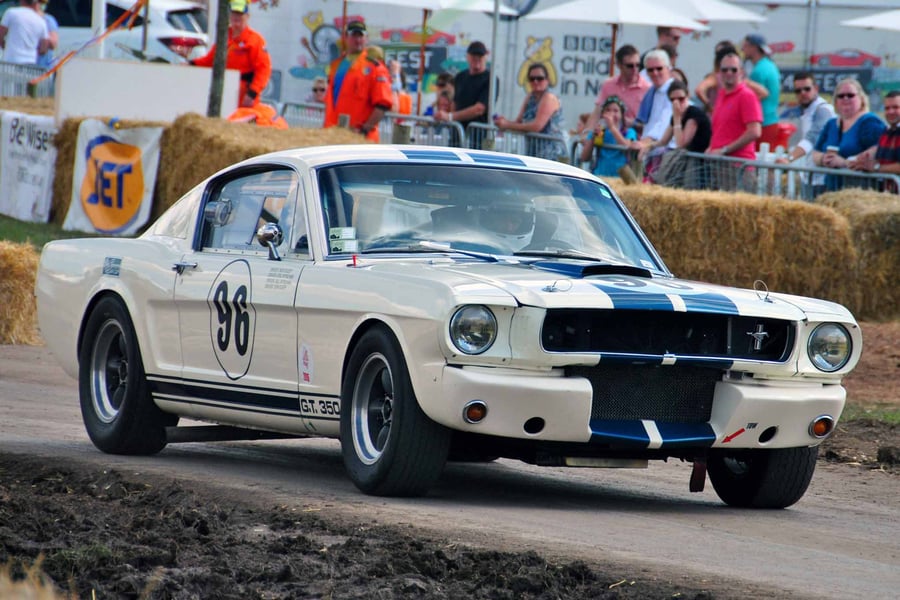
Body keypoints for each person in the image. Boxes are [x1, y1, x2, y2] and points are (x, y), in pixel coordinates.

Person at [190, 0, 271, 109]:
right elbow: (210, 61)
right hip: (223, 91)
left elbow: (263, 70)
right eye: (234, 13)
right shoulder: (224, 36)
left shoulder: (255, 40)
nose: (236, 17)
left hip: (244, 95)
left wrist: (252, 93)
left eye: (240, 14)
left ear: (247, 16)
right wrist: (191, 64)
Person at [812, 78, 887, 192]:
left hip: (861, 190)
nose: (845, 98)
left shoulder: (870, 122)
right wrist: (823, 159)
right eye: (841, 96)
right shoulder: (831, 124)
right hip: (832, 189)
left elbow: (877, 151)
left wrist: (843, 163)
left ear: (861, 99)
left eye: (850, 95)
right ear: (835, 101)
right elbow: (816, 152)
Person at [323, 20, 392, 142]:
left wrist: (364, 130)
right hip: (333, 134)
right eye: (354, 35)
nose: (358, 39)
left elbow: (382, 104)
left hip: (360, 138)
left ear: (366, 38)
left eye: (361, 36)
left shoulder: (375, 67)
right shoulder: (337, 65)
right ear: (345, 37)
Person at [775, 72, 834, 197]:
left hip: (823, 178)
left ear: (816, 89)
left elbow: (812, 138)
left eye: (807, 89)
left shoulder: (823, 110)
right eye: (798, 91)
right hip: (811, 176)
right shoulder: (808, 110)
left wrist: (789, 159)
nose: (803, 93)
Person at [493, 62, 565, 161]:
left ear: (547, 80)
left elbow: (537, 126)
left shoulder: (549, 97)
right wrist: (504, 122)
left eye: (539, 78)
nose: (535, 81)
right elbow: (519, 122)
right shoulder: (530, 97)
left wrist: (507, 125)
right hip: (534, 151)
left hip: (551, 153)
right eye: (532, 79)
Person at [434, 41, 496, 148]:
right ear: (467, 57)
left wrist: (450, 116)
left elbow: (479, 109)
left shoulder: (491, 79)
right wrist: (445, 115)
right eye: (473, 56)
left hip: (478, 136)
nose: (476, 59)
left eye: (480, 56)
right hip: (458, 133)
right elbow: (455, 102)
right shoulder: (460, 77)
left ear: (486, 57)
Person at [706, 52, 762, 159]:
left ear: (741, 72)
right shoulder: (722, 94)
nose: (729, 73)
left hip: (739, 164)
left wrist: (725, 150)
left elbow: (754, 132)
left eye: (733, 70)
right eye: (724, 70)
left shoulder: (746, 95)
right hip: (720, 162)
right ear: (719, 72)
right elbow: (720, 129)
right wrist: (711, 148)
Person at [584, 44, 649, 134]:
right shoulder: (609, 84)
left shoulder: (647, 88)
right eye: (630, 66)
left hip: (634, 140)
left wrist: (631, 123)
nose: (635, 69)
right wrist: (586, 133)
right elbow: (597, 112)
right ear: (619, 65)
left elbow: (651, 124)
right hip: (609, 138)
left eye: (638, 65)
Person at [633, 50, 675, 179]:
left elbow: (666, 121)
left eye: (659, 68)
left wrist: (647, 141)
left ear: (668, 68)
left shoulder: (674, 90)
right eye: (650, 70)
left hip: (666, 152)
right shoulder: (652, 91)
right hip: (651, 151)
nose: (655, 73)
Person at [580, 95, 638, 177]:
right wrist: (593, 138)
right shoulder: (600, 131)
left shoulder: (629, 132)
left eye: (615, 111)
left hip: (620, 178)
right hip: (600, 175)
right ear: (603, 114)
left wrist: (612, 127)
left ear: (621, 115)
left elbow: (626, 145)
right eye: (608, 110)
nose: (611, 114)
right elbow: (584, 158)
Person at [849, 89, 900, 183]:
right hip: (887, 193)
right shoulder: (886, 131)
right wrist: (862, 162)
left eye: (896, 107)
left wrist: (876, 167)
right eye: (887, 108)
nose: (891, 112)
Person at [742, 33, 781, 149]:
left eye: (745, 46)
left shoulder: (758, 71)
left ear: (754, 47)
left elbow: (758, 95)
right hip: (771, 120)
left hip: (762, 123)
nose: (742, 49)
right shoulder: (770, 65)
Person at [0, 0, 50, 65]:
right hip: (30, 63)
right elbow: (43, 49)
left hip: (10, 61)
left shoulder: (11, 13)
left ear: (22, 1)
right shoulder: (41, 21)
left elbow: (1, 34)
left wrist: (4, 45)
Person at [695, 40, 737, 114]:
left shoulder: (716, 77)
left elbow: (699, 90)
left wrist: (710, 107)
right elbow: (699, 90)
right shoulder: (716, 77)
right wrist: (711, 107)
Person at [35, 0, 57, 69]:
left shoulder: (48, 20)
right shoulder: (23, 18)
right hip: (24, 66)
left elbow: (53, 43)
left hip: (42, 66)